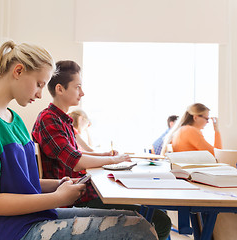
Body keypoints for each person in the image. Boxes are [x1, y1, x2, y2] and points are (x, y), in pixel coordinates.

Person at [0, 41, 158, 240]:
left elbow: (23, 184)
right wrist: (57, 198)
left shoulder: (13, 119)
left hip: (27, 220)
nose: (40, 93)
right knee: (140, 231)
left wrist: (58, 185)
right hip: (8, 231)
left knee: (137, 220)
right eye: (39, 84)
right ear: (18, 71)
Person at [32, 60, 171, 240]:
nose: (82, 93)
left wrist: (104, 155)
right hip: (75, 199)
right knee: (160, 219)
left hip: (82, 192)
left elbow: (75, 153)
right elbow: (76, 161)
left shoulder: (61, 119)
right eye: (78, 87)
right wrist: (113, 160)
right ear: (60, 89)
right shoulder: (49, 119)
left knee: (157, 210)